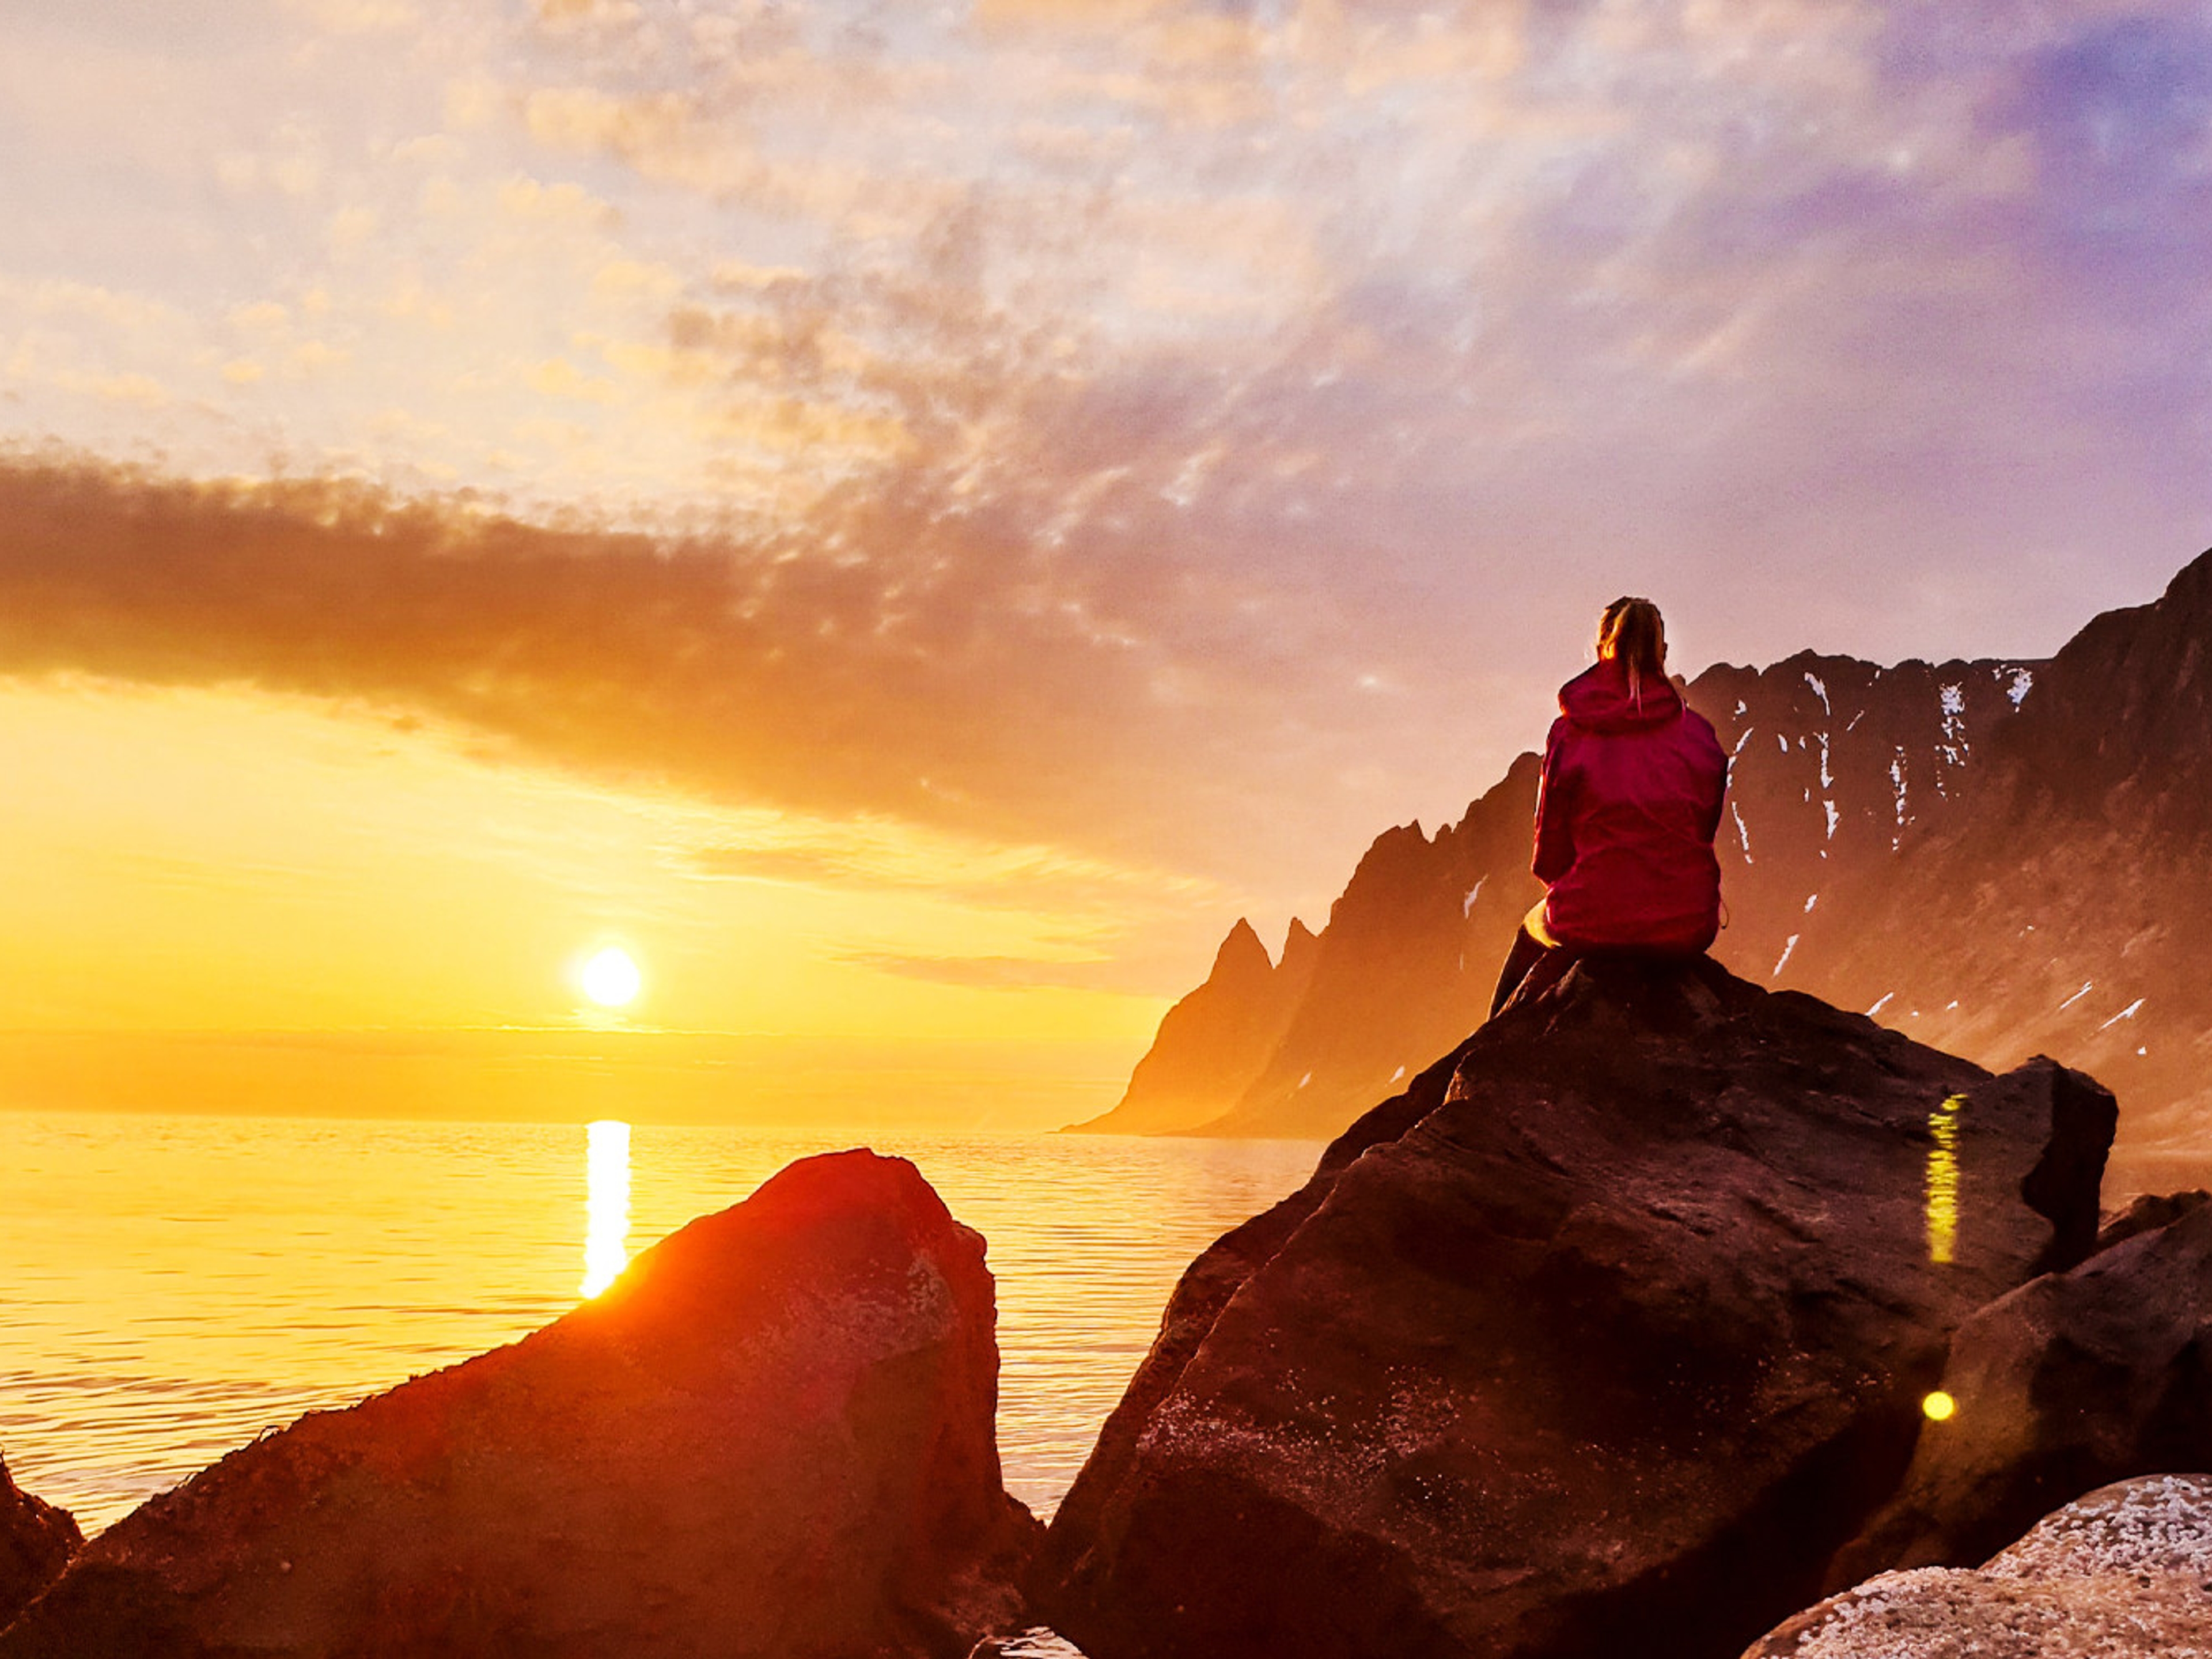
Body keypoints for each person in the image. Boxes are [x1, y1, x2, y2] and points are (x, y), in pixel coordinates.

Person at [1489, 596, 1728, 1017]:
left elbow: (1550, 855)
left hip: (1591, 917)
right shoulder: (1701, 737)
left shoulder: (1570, 734)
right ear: (1663, 653)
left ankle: (1489, 1042)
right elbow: (1702, 830)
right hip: (1686, 923)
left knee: (1528, 935)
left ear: (1602, 648)